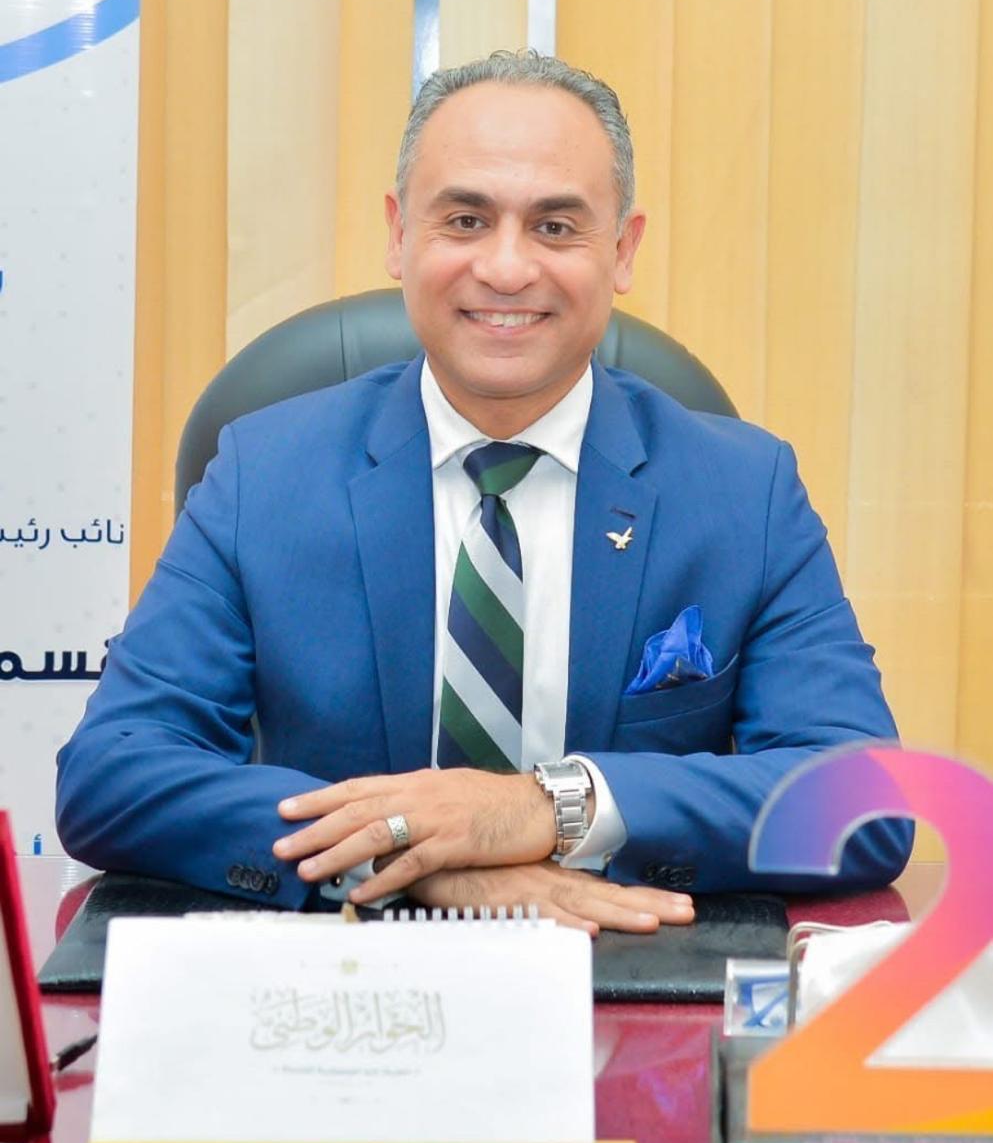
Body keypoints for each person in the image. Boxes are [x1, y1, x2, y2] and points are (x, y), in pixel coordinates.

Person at [55, 52, 911, 934]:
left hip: (621, 966)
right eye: (465, 220)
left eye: (554, 227)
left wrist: (545, 807)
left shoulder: (742, 492)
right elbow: (113, 775)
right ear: (399, 236)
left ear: (621, 250)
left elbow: (863, 800)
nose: (505, 268)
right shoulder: (262, 474)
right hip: (346, 975)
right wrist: (412, 864)